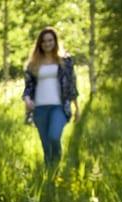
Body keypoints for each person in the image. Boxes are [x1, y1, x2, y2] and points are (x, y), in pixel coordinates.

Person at [22, 26, 79, 165]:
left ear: (55, 41)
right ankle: (50, 173)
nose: (47, 43)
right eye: (44, 41)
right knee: (46, 145)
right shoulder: (33, 64)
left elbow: (72, 85)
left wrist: (77, 108)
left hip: (58, 107)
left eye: (50, 40)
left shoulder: (65, 61)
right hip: (39, 108)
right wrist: (27, 100)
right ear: (39, 44)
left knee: (54, 136)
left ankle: (57, 165)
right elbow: (28, 87)